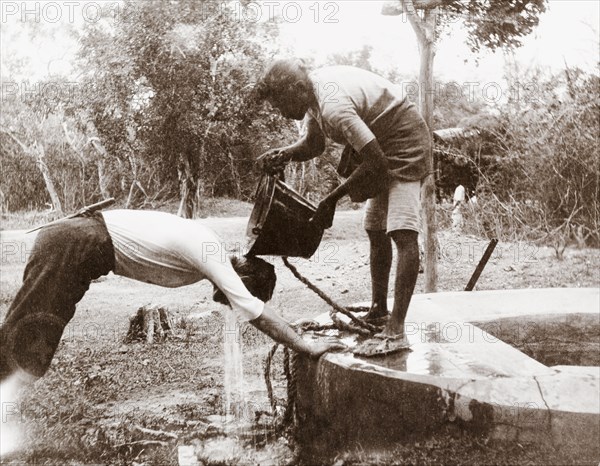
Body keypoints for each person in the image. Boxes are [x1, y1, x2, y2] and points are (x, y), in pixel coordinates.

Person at [0, 209, 345, 384]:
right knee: (28, 336)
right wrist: (306, 346)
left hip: (81, 246)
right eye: (229, 295)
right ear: (242, 276)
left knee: (37, 334)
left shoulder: (210, 245)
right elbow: (257, 313)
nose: (222, 300)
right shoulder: (212, 255)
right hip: (78, 243)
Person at [255, 59, 432, 352]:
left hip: (404, 143)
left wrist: (331, 200)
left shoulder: (333, 105)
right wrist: (283, 153)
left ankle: (396, 330)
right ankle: (378, 310)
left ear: (298, 89)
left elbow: (376, 161)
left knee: (402, 232)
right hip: (381, 148)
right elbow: (314, 145)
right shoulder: (313, 97)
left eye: (281, 104)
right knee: (375, 229)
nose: (282, 113)